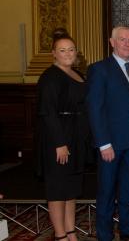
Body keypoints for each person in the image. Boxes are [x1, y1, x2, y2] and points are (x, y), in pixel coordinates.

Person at [86, 26, 129, 241]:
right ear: (112, 42)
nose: (127, 44)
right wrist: (103, 143)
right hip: (111, 144)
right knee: (106, 192)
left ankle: (127, 230)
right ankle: (104, 236)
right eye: (122, 40)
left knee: (128, 191)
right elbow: (95, 109)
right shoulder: (100, 69)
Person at [36, 29, 92, 241]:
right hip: (58, 139)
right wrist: (59, 143)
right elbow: (47, 112)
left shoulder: (78, 73)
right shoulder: (50, 76)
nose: (68, 53)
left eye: (71, 49)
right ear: (54, 53)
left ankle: (71, 231)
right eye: (62, 50)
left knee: (71, 190)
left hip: (75, 137)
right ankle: (60, 234)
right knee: (58, 190)